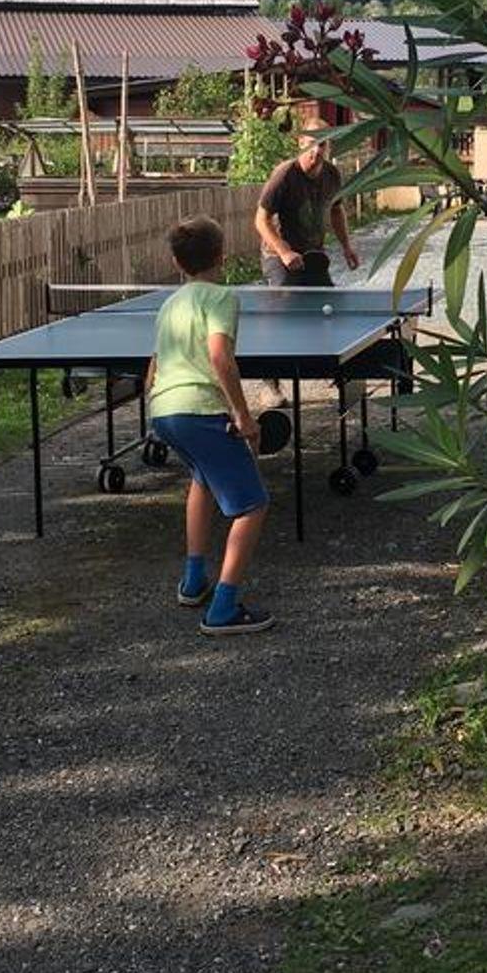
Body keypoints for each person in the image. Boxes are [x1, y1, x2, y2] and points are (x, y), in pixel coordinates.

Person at [146, 215, 275, 636]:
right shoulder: (221, 298)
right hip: (198, 409)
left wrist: (157, 407)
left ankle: (193, 580)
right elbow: (220, 356)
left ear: (176, 262)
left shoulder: (169, 304)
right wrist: (243, 415)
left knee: (202, 479)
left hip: (164, 408)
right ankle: (222, 607)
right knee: (253, 505)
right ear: (222, 256)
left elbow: (154, 364)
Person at [255, 127, 360, 287]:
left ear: (328, 147)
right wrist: (284, 252)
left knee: (325, 298)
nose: (317, 150)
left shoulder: (332, 174)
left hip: (313, 255)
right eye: (312, 143)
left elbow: (336, 210)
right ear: (301, 143)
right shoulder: (285, 174)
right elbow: (261, 220)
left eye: (322, 144)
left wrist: (347, 247)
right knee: (286, 299)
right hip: (279, 256)